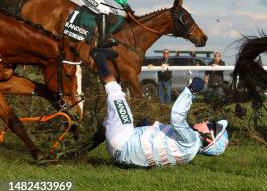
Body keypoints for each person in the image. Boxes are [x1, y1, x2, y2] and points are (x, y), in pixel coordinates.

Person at [89, 47, 229, 167]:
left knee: (116, 93)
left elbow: (177, 116)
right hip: (121, 153)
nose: (206, 121)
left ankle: (98, 56)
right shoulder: (189, 154)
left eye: (210, 125)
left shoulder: (191, 140)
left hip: (122, 141)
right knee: (110, 120)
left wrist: (191, 91)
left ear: (209, 139)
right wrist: (149, 125)